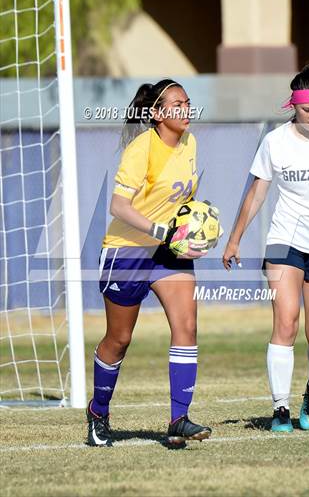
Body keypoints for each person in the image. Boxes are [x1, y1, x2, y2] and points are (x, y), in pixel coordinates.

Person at [223, 64, 309, 432]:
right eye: (308, 111)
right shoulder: (274, 142)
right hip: (284, 241)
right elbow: (256, 195)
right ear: (293, 106)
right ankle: (280, 409)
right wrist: (235, 238)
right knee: (286, 321)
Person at [86, 79, 211, 447]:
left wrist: (192, 229)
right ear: (156, 114)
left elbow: (185, 196)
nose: (184, 109)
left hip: (167, 252)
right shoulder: (142, 148)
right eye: (175, 104)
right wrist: (163, 229)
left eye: (187, 102)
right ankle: (98, 412)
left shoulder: (191, 143)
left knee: (186, 326)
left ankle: (179, 420)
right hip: (126, 251)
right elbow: (118, 207)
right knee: (119, 339)